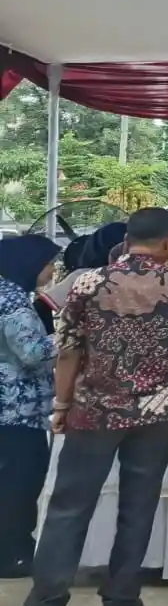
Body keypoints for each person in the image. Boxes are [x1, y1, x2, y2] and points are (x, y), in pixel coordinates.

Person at [19, 207, 168, 606]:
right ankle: (119, 604)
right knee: (138, 506)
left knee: (68, 508)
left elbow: (68, 351)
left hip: (93, 412)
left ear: (127, 239)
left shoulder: (86, 283)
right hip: (155, 413)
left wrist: (61, 403)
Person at [0, 236, 61, 579]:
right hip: (17, 409)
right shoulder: (13, 303)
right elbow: (33, 353)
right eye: (49, 263)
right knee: (19, 485)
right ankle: (13, 555)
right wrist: (67, 334)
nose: (52, 270)